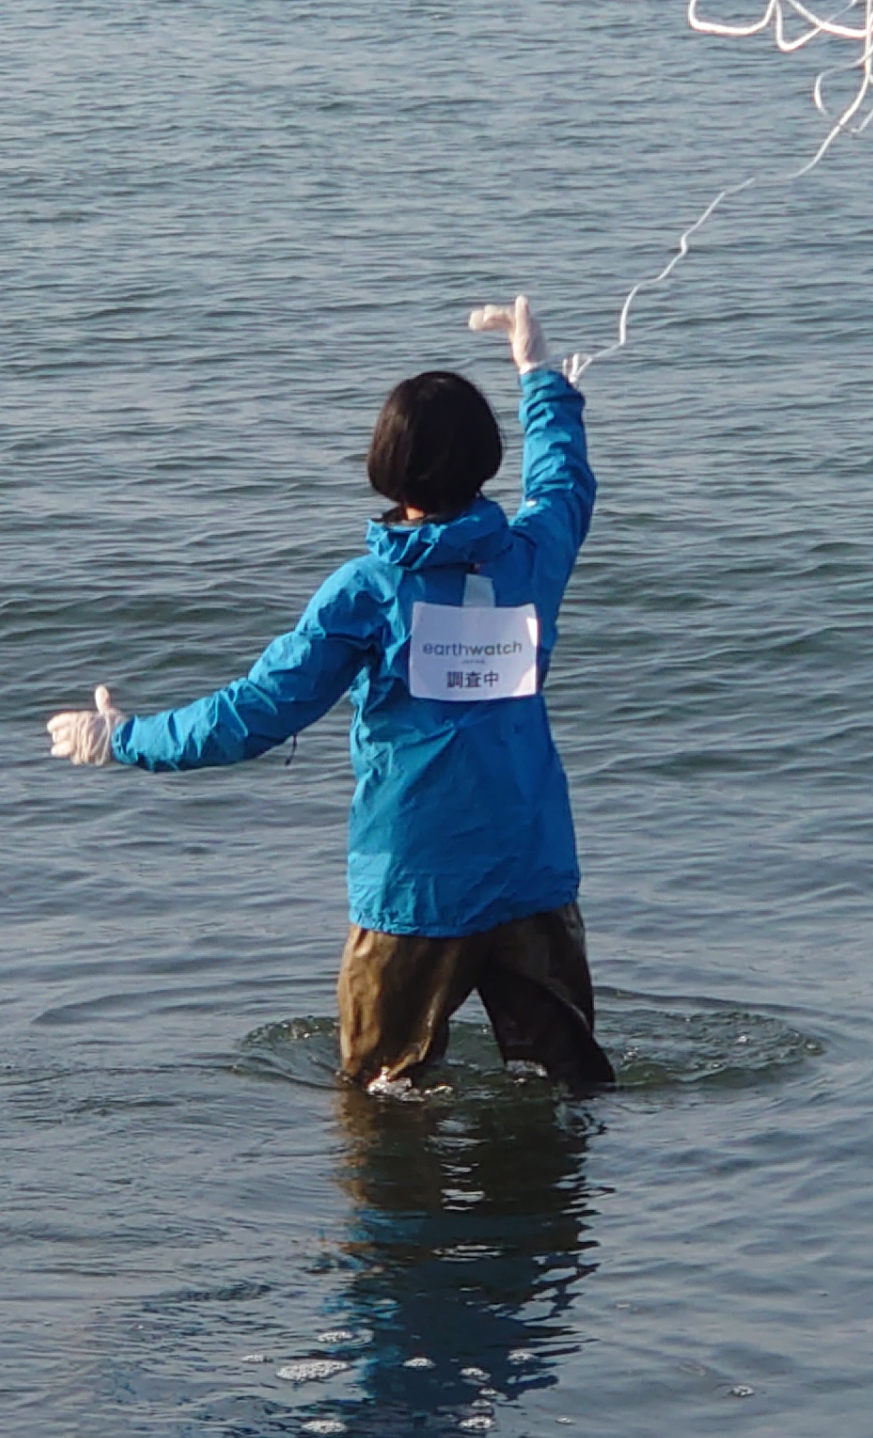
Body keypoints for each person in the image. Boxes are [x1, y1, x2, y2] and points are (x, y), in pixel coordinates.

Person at [46, 295, 613, 1098]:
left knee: (378, 1100)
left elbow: (257, 712)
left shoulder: (369, 591)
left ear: (384, 465)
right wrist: (539, 376)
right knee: (571, 1088)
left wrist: (125, 738)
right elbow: (563, 481)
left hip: (413, 887)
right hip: (534, 871)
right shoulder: (532, 558)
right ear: (486, 460)